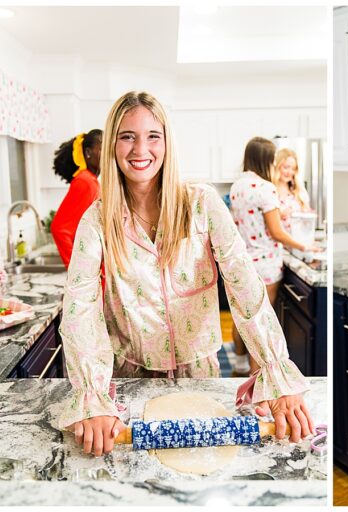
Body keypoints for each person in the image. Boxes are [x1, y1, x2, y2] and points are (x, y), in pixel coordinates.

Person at [58, 92, 315, 457]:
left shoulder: (203, 204)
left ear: (167, 142)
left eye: (152, 136)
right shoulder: (97, 220)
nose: (139, 149)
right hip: (131, 375)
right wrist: (92, 395)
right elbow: (80, 306)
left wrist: (277, 372)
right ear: (113, 144)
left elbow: (244, 283)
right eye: (127, 136)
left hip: (201, 370)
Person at [228, 137, 315, 375]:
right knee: (262, 324)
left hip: (242, 261)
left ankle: (239, 364)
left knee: (244, 317)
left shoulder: (237, 186)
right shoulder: (265, 188)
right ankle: (258, 378)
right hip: (265, 264)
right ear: (265, 159)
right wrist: (306, 246)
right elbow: (276, 232)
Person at [50, 129, 103, 267]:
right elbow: (60, 229)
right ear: (88, 153)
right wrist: (76, 268)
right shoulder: (86, 182)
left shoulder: (91, 181)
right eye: (103, 149)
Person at [272, 147, 311, 233]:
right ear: (277, 166)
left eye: (293, 169)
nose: (290, 172)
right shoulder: (270, 190)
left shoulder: (299, 190)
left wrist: (305, 212)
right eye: (286, 167)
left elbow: (308, 214)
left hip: (299, 239)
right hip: (279, 242)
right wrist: (279, 215)